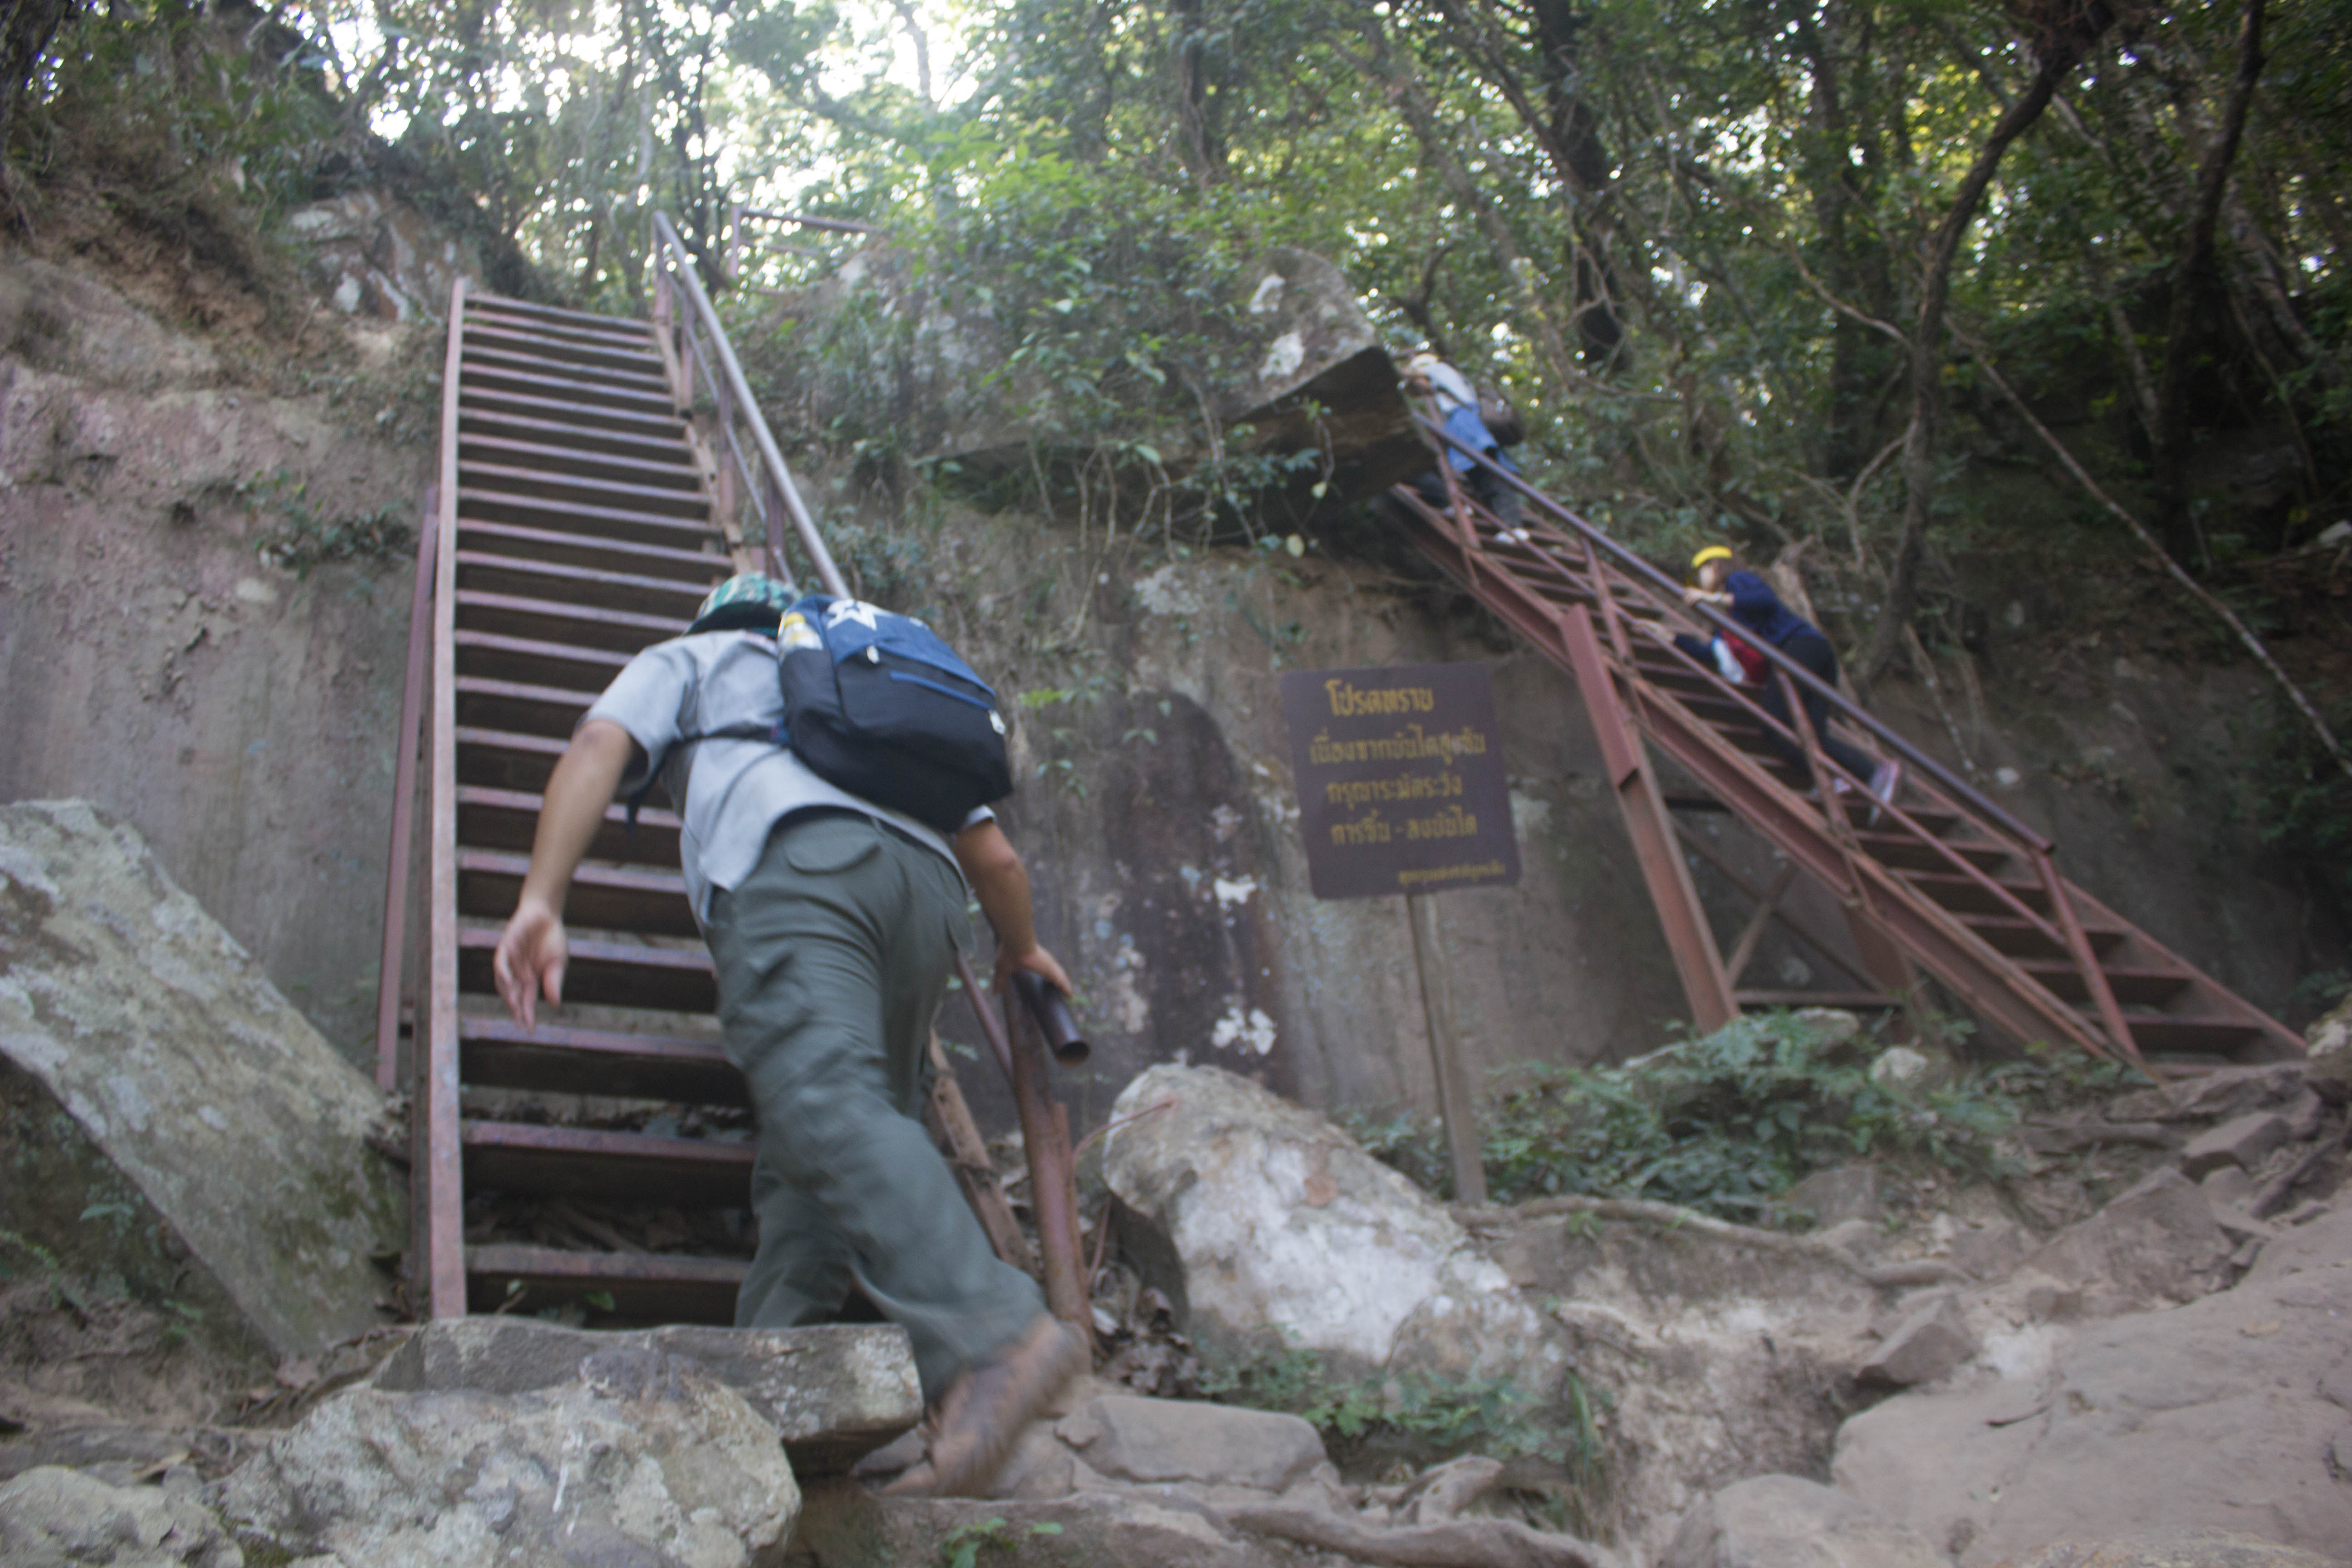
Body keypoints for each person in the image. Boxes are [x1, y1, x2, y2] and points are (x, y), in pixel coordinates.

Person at [490, 571, 1086, 1500]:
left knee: (824, 1102)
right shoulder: (868, 690)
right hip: (928, 904)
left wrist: (541, 899)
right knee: (825, 1144)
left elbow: (600, 741)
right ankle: (775, 1412)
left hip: (798, 867)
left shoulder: (697, 656)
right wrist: (1024, 950)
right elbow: (996, 855)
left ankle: (995, 1336)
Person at [1680, 545, 1901, 808]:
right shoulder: (1732, 617)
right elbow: (1714, 653)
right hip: (1815, 651)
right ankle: (1866, 775)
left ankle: (1858, 775)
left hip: (1798, 648)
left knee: (1773, 724)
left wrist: (1714, 599)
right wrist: (1672, 638)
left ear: (1714, 567)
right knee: (1813, 736)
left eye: (1700, 573)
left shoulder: (1737, 581)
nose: (1700, 582)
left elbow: (1765, 600)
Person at [1402, 352, 1524, 532]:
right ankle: (1452, 501)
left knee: (1488, 474)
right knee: (1479, 475)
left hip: (1467, 428)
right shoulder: (1444, 386)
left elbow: (1408, 373)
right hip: (1460, 430)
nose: (1420, 390)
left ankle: (1513, 528)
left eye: (1418, 385)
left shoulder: (1440, 369)